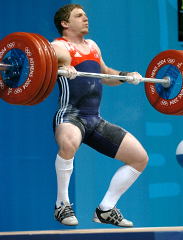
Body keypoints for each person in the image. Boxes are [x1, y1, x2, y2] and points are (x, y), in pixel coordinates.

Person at [51, 4, 148, 227]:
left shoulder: (93, 46)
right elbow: (51, 57)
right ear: (65, 24)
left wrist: (125, 76)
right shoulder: (58, 46)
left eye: (85, 15)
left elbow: (105, 75)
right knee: (69, 143)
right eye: (79, 16)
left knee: (139, 158)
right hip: (70, 116)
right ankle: (61, 204)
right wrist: (64, 66)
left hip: (95, 120)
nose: (86, 18)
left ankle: (106, 209)